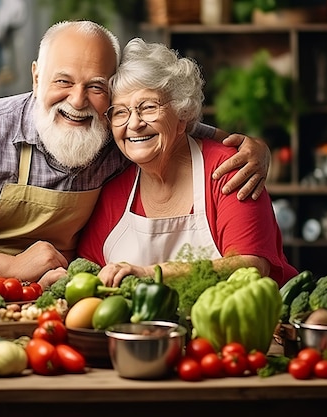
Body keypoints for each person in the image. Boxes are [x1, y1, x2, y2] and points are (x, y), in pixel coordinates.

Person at [0, 21, 271, 297]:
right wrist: (14, 268)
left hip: (43, 305)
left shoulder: (112, 131)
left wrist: (255, 148)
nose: (78, 101)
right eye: (63, 81)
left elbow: (175, 124)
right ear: (36, 77)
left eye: (95, 86)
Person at [77, 38, 297, 288]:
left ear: (182, 116)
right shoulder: (112, 187)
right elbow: (89, 273)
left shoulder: (229, 169)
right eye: (120, 112)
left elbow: (250, 266)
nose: (134, 124)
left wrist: (149, 274)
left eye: (148, 107)